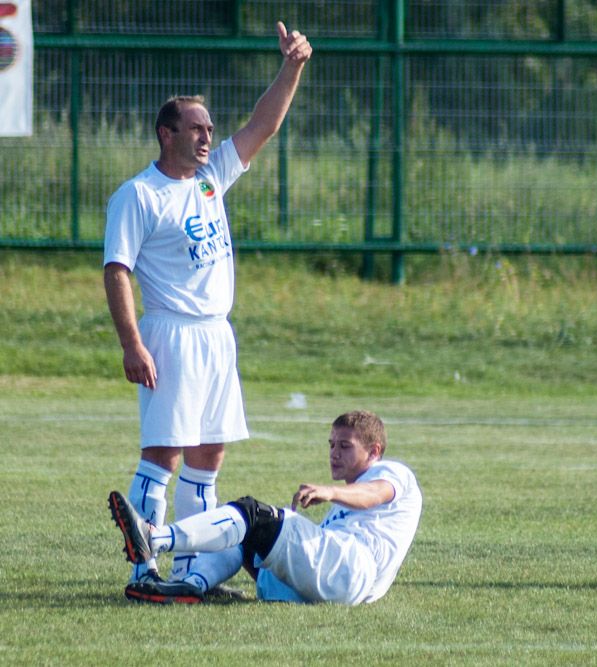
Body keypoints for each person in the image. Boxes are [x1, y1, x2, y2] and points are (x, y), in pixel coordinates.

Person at [102, 22, 312, 590]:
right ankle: (144, 569)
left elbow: (261, 127)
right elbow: (116, 270)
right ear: (164, 133)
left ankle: (192, 575)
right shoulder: (139, 195)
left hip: (218, 335)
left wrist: (292, 66)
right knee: (162, 456)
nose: (206, 137)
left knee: (208, 460)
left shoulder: (211, 177)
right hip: (170, 334)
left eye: (209, 129)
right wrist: (132, 343)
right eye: (195, 128)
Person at [108, 410, 423, 605]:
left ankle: (155, 538)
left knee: (252, 514)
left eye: (344, 446)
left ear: (375, 451)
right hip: (325, 583)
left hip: (349, 570)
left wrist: (329, 491)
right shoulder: (349, 501)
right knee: (245, 533)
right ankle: (188, 587)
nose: (334, 454)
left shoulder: (392, 472)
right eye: (331, 445)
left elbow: (374, 494)